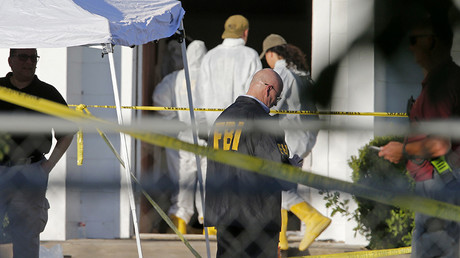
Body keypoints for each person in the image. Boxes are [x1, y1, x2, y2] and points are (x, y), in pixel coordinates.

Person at [378, 9, 460, 258]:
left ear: (431, 41)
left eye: (413, 41)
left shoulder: (440, 84)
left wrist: (401, 150)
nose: (410, 48)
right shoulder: (452, 78)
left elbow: (438, 145)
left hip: (439, 183)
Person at [205, 69, 298, 258]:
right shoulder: (263, 122)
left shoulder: (222, 118)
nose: (274, 103)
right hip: (257, 218)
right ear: (268, 90)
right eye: (277, 97)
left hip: (224, 214)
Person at [0, 48, 74, 258]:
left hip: (30, 170)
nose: (29, 62)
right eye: (23, 57)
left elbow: (67, 133)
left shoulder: (47, 93)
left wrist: (46, 168)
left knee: (26, 236)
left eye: (33, 57)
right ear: (10, 61)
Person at [260, 34, 331, 251]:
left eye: (266, 57)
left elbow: (272, 106)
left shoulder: (281, 72)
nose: (267, 62)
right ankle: (280, 240)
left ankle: (313, 219)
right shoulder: (302, 74)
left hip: (290, 137)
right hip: (306, 136)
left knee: (276, 185)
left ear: (272, 53)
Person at [153, 40, 208, 234]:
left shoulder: (174, 79)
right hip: (207, 139)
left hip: (181, 139)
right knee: (208, 182)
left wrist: (174, 120)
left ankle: (180, 223)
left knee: (181, 182)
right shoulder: (211, 79)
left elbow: (158, 100)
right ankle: (210, 227)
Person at [195, 14, 262, 134]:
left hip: (213, 126)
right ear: (245, 32)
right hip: (241, 127)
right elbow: (257, 93)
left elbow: (200, 92)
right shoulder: (250, 56)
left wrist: (201, 124)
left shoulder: (210, 56)